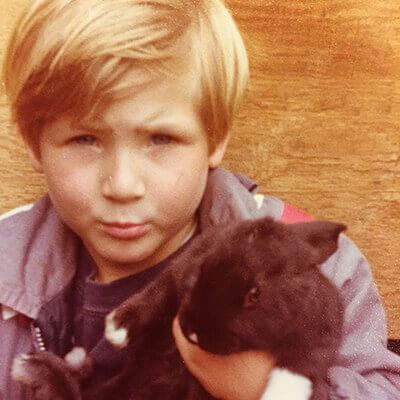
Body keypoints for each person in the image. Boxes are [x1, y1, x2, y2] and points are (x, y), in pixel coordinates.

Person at [0, 0, 399, 399]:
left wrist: (268, 391)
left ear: (214, 138)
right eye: (84, 139)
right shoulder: (6, 264)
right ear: (35, 145)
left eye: (161, 139)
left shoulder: (318, 265)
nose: (122, 185)